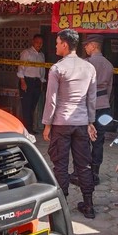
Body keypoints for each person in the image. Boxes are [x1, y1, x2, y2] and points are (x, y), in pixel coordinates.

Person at [42, 29, 97, 219]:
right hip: (81, 122)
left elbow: (52, 100)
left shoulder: (57, 69)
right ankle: (89, 205)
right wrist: (90, 122)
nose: (55, 46)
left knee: (60, 165)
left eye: (57, 43)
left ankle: (62, 206)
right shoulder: (89, 68)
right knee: (84, 165)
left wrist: (47, 124)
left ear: (65, 44)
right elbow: (91, 99)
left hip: (61, 123)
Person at [83, 34, 114, 186]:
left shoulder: (86, 63)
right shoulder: (109, 64)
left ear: (93, 46)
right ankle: (95, 174)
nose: (85, 48)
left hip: (88, 107)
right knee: (98, 141)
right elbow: (109, 89)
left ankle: (84, 172)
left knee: (84, 140)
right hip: (104, 107)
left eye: (87, 45)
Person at [17, 34, 45, 133]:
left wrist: (41, 82)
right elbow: (21, 68)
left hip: (37, 82)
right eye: (37, 42)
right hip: (27, 81)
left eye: (41, 43)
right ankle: (26, 130)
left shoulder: (41, 55)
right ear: (33, 42)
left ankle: (30, 129)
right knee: (26, 107)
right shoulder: (26, 53)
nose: (39, 44)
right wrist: (23, 82)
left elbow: (42, 70)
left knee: (32, 107)